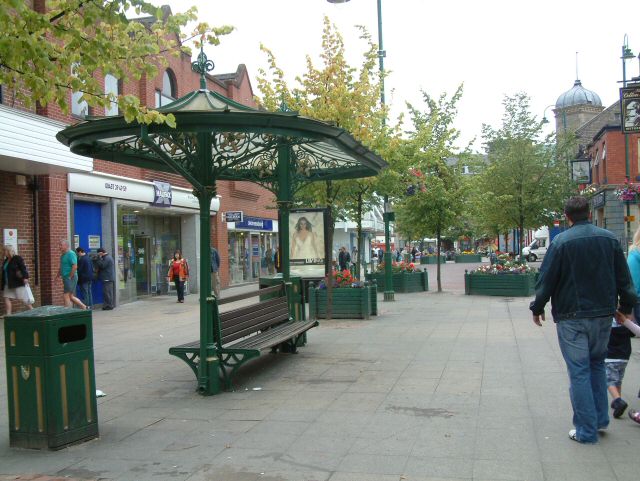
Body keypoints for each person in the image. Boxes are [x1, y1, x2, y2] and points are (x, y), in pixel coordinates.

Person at [530, 196, 637, 444]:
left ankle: (586, 431)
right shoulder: (609, 240)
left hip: (572, 316)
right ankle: (599, 420)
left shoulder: (561, 243)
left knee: (579, 371)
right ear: (588, 212)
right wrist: (625, 307)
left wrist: (538, 307)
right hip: (602, 314)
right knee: (597, 364)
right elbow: (625, 280)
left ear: (567, 216)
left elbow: (547, 280)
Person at [2, 245, 34, 315]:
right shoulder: (6, 260)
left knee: (22, 298)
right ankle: (8, 314)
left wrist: (25, 277)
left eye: (5, 250)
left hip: (16, 282)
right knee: (6, 297)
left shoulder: (17, 258)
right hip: (8, 283)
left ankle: (32, 310)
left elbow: (23, 268)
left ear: (9, 251)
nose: (3, 252)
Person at [57, 239, 86, 310]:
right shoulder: (63, 255)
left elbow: (75, 266)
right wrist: (57, 276)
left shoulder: (71, 254)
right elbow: (61, 267)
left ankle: (67, 313)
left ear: (66, 246)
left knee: (66, 295)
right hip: (66, 277)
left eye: (61, 245)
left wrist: (70, 276)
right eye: (59, 245)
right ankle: (83, 307)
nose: (59, 247)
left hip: (70, 277)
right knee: (70, 296)